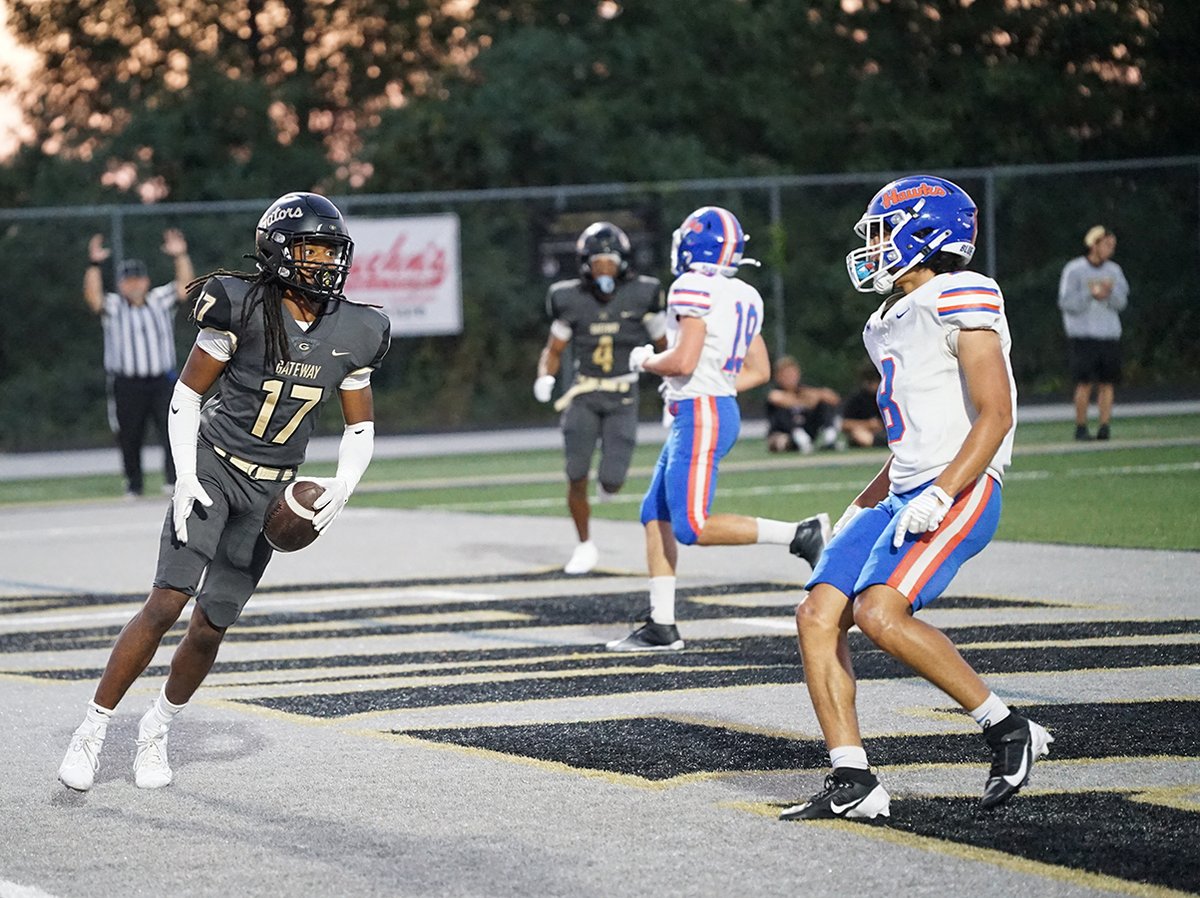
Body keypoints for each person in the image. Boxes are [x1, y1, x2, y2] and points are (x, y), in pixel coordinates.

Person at [58, 192, 390, 792]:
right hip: (214, 465)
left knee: (211, 625)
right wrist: (186, 474)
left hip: (272, 489)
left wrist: (344, 485)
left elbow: (360, 427)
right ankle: (93, 728)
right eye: (312, 249)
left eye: (331, 251)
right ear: (280, 251)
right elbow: (185, 396)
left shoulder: (358, 328)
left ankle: (156, 729)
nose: (326, 263)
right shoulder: (238, 304)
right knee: (166, 602)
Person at [779, 175, 1052, 821]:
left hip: (957, 488)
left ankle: (1007, 728)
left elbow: (996, 414)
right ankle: (853, 779)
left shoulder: (961, 293)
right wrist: (860, 505)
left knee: (878, 614)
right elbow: (909, 442)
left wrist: (941, 493)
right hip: (903, 490)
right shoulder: (887, 320)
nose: (871, 247)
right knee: (817, 615)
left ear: (925, 233)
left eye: (880, 232)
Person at [606, 206, 830, 652]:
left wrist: (645, 360)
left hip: (701, 412)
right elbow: (760, 368)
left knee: (690, 525)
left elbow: (683, 359)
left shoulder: (691, 287)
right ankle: (661, 623)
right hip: (711, 406)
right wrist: (713, 387)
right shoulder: (744, 294)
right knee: (656, 514)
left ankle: (800, 534)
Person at [534, 222, 667, 575]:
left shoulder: (643, 294)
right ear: (584, 264)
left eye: (609, 260)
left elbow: (667, 344)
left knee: (612, 480)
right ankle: (584, 545)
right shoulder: (571, 298)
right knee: (576, 474)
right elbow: (554, 347)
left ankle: (606, 485)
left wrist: (674, 376)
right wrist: (545, 375)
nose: (603, 268)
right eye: (597, 261)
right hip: (584, 393)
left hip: (623, 394)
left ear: (623, 262)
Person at [85, 229, 194, 497]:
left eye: (138, 279)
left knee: (172, 432)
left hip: (161, 380)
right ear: (121, 283)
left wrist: (180, 255)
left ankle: (173, 481)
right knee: (129, 436)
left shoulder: (159, 300)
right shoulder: (113, 306)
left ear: (146, 281)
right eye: (128, 281)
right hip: (127, 382)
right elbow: (93, 298)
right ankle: (134, 485)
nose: (133, 285)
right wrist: (94, 265)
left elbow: (185, 287)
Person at [1058, 225, 1129, 440]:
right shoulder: (1075, 269)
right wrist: (1090, 293)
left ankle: (1104, 426)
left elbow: (1122, 301)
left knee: (1107, 383)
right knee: (1084, 383)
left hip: (1108, 335)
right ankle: (1081, 427)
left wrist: (1108, 293)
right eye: (1107, 245)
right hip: (1083, 336)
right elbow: (1066, 302)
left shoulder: (1114, 271)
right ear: (1094, 244)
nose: (1110, 250)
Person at [765, 355, 842, 453]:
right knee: (782, 413)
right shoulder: (775, 392)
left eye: (792, 374)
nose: (790, 378)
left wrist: (814, 397)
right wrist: (806, 401)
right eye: (786, 375)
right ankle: (798, 438)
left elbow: (833, 398)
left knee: (823, 405)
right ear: (778, 376)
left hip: (807, 428)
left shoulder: (804, 389)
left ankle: (829, 436)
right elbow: (777, 399)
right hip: (786, 431)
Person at [839, 363, 886, 449]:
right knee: (859, 434)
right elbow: (844, 424)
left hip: (885, 432)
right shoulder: (857, 398)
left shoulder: (886, 397)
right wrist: (868, 424)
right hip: (865, 433)